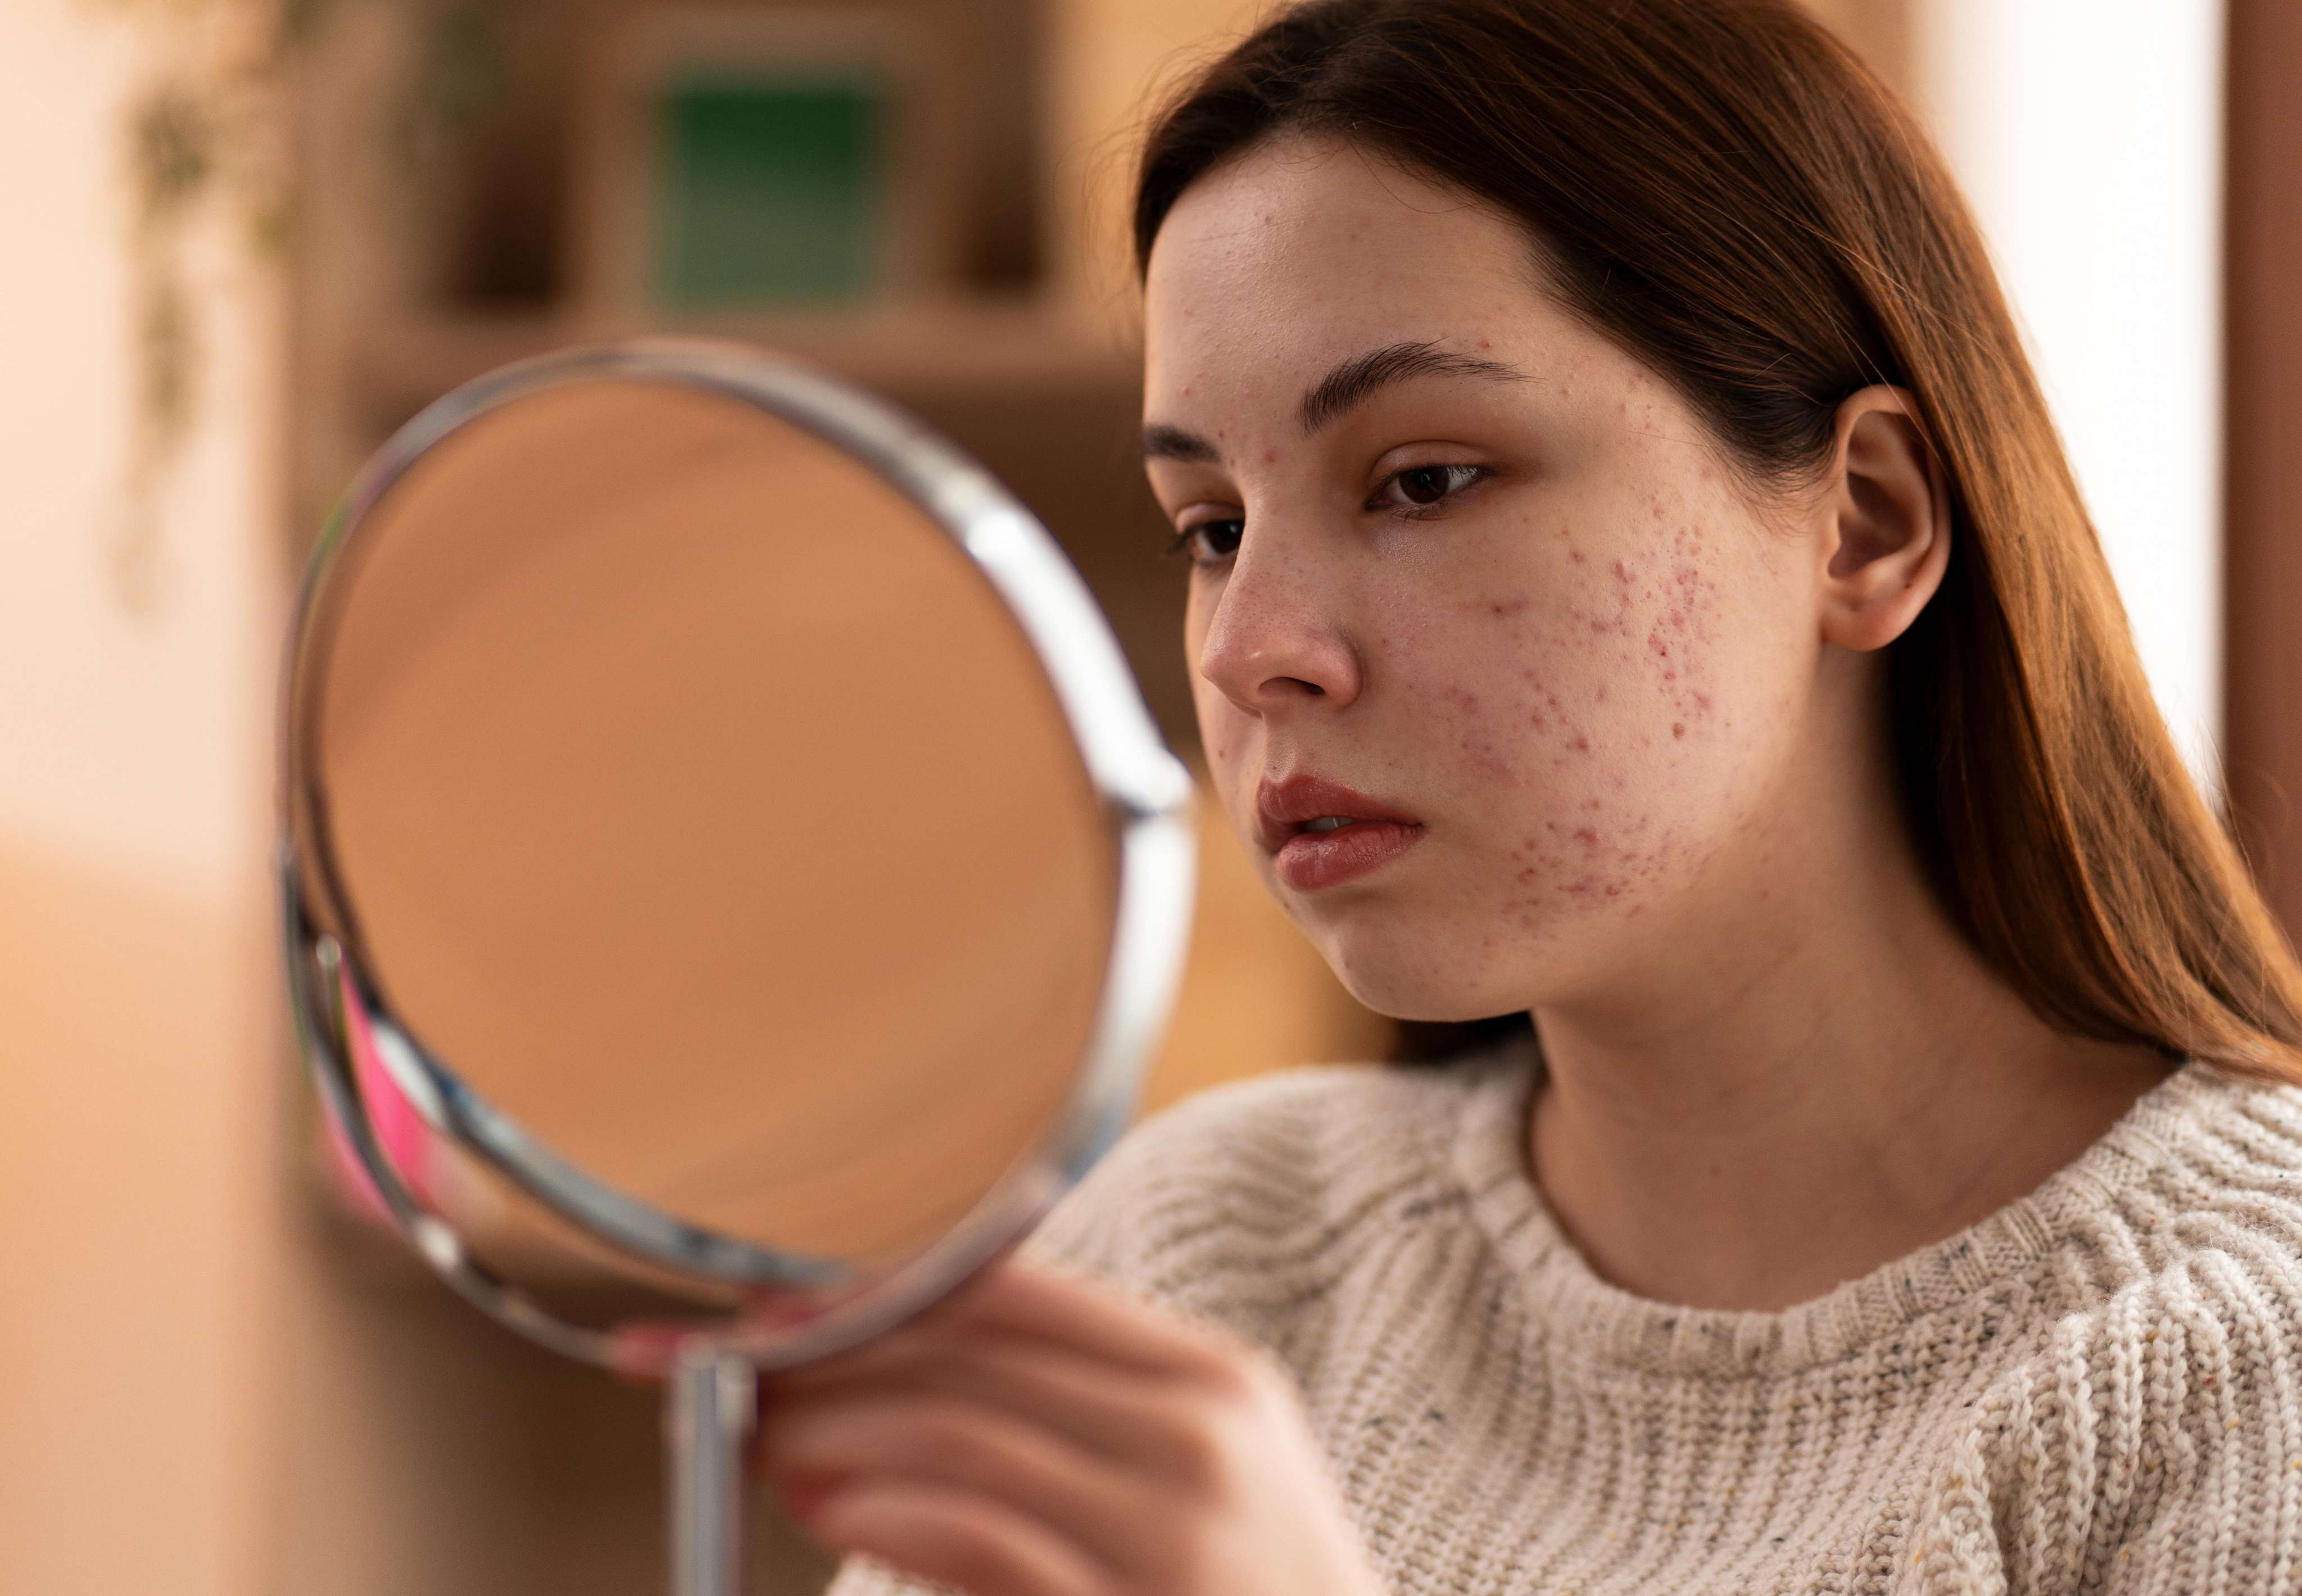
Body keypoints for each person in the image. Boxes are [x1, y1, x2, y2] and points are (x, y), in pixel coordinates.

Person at [760, 2, 2302, 1592]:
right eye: (1210, 524)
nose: (1251, 649)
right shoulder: (1199, 1259)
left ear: (1865, 523)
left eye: (1425, 479)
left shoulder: (2242, 1366)